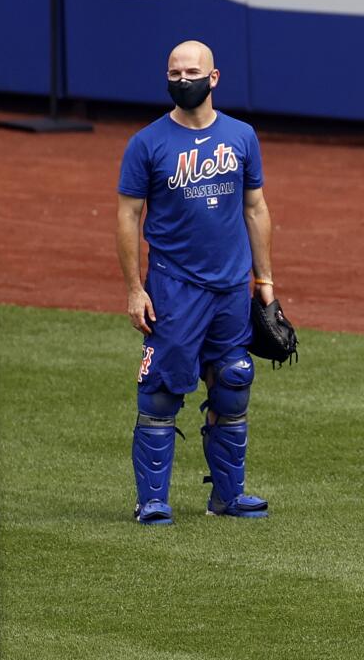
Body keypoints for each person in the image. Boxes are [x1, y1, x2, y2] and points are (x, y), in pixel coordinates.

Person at [116, 40, 275, 524]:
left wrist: (264, 280)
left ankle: (228, 495)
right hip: (173, 287)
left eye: (192, 71)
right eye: (174, 72)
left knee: (232, 382)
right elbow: (128, 216)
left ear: (214, 77)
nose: (183, 79)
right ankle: (153, 500)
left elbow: (256, 208)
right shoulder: (147, 144)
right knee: (162, 392)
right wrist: (134, 288)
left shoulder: (242, 136)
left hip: (229, 287)